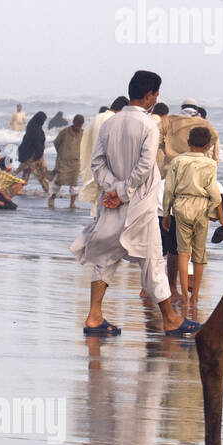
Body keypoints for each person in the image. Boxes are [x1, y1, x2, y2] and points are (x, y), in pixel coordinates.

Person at [71, 71, 195, 337]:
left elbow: (97, 163)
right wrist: (124, 191)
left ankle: (94, 316)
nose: (156, 98)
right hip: (138, 205)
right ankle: (171, 319)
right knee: (151, 260)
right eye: (157, 93)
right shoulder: (149, 125)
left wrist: (113, 188)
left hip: (112, 203)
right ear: (150, 95)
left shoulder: (110, 123)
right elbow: (145, 166)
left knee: (105, 258)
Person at [162, 127, 223, 318]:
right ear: (208, 145)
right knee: (199, 254)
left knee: (183, 253)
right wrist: (222, 218)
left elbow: (169, 189)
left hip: (181, 205)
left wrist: (167, 212)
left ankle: (184, 295)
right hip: (201, 207)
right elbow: (214, 193)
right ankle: (195, 298)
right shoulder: (210, 164)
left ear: (188, 142)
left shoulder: (178, 161)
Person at [80, 96, 128, 218]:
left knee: (97, 202)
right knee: (106, 206)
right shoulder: (112, 120)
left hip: (92, 165)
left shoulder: (97, 118)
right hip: (106, 169)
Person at [158, 100, 220, 171]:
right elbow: (214, 136)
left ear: (182, 108)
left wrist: (166, 147)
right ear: (196, 109)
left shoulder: (170, 120)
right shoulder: (203, 122)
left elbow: (157, 135)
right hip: (195, 163)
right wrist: (203, 148)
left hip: (172, 163)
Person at [49, 114, 84, 208]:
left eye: (80, 125)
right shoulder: (64, 132)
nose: (78, 127)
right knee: (58, 182)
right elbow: (56, 143)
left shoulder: (83, 133)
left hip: (75, 163)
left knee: (74, 184)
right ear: (73, 123)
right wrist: (62, 153)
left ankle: (72, 204)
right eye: (77, 125)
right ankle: (52, 199)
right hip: (63, 162)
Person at [15, 112, 51, 194]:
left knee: (26, 174)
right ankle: (48, 191)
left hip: (34, 156)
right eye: (43, 120)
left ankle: (16, 189)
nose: (43, 122)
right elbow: (36, 144)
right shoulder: (35, 130)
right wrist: (34, 159)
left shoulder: (32, 127)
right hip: (32, 157)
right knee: (40, 175)